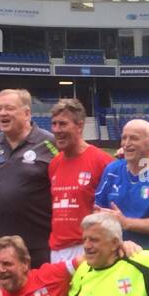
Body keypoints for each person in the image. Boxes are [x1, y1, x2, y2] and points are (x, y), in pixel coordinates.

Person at [0, 88, 58, 267]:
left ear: (27, 113)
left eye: (9, 108)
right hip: (7, 246)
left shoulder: (50, 143)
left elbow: (77, 160)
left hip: (42, 245)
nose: (2, 113)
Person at [93, 119, 149, 250]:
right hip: (114, 253)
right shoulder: (112, 171)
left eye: (134, 138)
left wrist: (126, 223)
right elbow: (97, 210)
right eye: (124, 138)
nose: (126, 144)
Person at [47, 98, 112, 264]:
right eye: (54, 124)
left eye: (63, 124)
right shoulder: (54, 164)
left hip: (86, 248)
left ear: (80, 126)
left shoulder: (102, 161)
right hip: (57, 251)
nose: (56, 130)